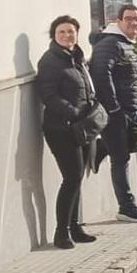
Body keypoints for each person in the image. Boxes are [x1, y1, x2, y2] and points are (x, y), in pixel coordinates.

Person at [34, 15, 102, 249]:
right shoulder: (50, 61)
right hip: (61, 128)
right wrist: (74, 113)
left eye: (70, 31)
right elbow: (49, 95)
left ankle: (75, 227)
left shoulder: (77, 58)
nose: (67, 36)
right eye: (61, 32)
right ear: (54, 35)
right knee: (71, 177)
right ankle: (61, 232)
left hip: (82, 126)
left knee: (78, 177)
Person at [89, 2, 137, 224]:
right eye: (130, 19)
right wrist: (113, 108)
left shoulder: (129, 43)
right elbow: (101, 75)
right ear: (119, 21)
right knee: (121, 158)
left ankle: (103, 146)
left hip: (131, 109)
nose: (135, 23)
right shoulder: (110, 44)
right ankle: (127, 206)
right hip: (115, 112)